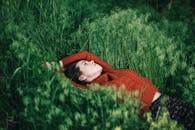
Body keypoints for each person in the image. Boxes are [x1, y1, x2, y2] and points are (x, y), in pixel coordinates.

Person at [57, 51, 195, 130]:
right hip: (156, 112)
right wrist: (58, 72)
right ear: (82, 77)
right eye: (85, 64)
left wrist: (60, 64)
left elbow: (87, 54)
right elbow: (70, 84)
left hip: (168, 101)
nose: (92, 61)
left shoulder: (111, 73)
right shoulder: (97, 90)